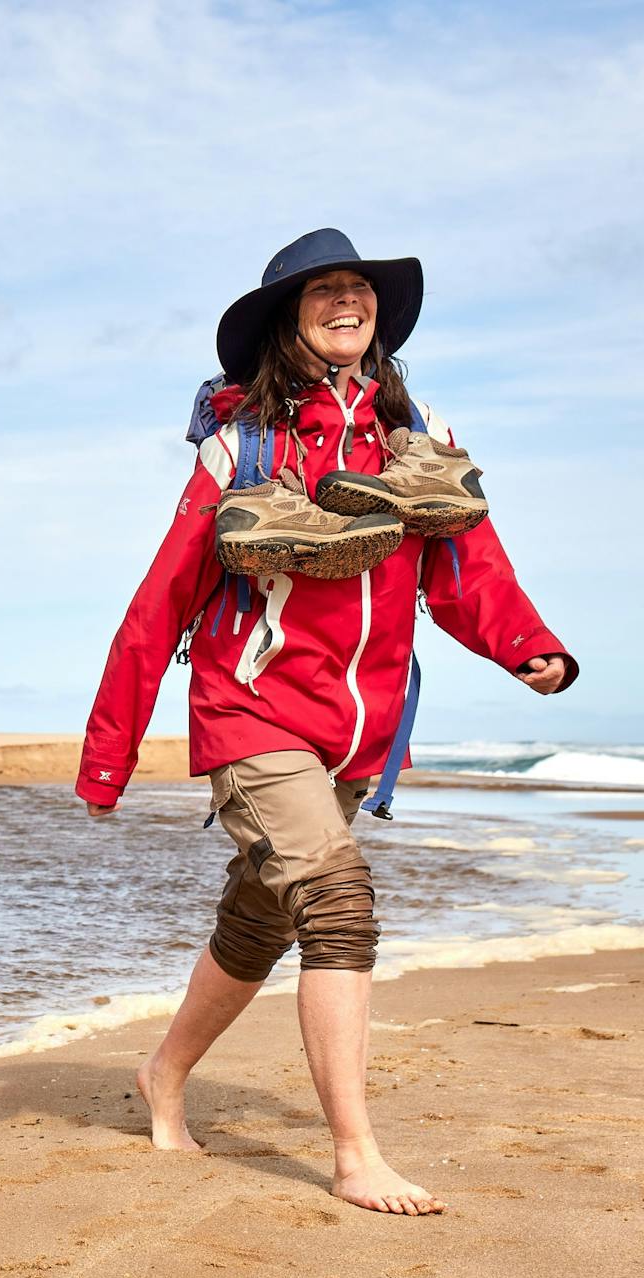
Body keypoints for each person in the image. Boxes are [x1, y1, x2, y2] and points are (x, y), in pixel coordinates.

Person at [78, 229, 578, 1216]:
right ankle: (356, 1157)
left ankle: (162, 1073)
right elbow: (160, 601)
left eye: (358, 287)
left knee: (257, 922)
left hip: (360, 734)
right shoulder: (242, 449)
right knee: (338, 902)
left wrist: (528, 646)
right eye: (322, 291)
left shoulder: (418, 441)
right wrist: (109, 755)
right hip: (251, 710)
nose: (346, 299)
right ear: (286, 320)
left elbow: (468, 569)